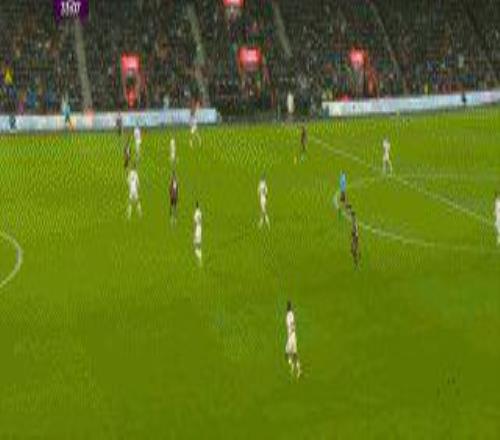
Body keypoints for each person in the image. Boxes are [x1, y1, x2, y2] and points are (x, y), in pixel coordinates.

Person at [285, 301, 301, 378]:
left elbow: (291, 325)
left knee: (288, 354)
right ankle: (298, 369)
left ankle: (293, 368)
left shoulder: (288, 316)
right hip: (293, 336)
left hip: (291, 337)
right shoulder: (291, 314)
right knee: (294, 354)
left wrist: (290, 333)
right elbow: (293, 325)